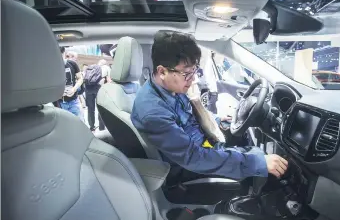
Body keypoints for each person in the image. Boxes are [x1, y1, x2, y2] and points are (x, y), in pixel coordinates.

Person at [131, 31, 288, 186]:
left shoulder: (169, 89)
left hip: (203, 148)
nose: (193, 79)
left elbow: (189, 118)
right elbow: (193, 158)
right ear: (162, 71)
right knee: (263, 164)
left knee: (257, 155)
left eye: (194, 70)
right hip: (188, 168)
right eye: (186, 73)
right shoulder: (153, 112)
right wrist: (257, 163)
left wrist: (218, 120)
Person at [58, 47, 84, 121]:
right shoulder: (51, 66)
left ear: (64, 53)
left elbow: (80, 78)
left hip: (73, 100)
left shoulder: (72, 64)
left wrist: (74, 89)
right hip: (59, 103)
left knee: (79, 122)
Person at [85, 59, 110, 131]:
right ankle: (101, 127)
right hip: (98, 89)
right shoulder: (106, 68)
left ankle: (92, 127)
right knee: (100, 108)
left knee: (90, 109)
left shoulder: (90, 67)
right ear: (105, 63)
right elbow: (109, 80)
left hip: (88, 89)